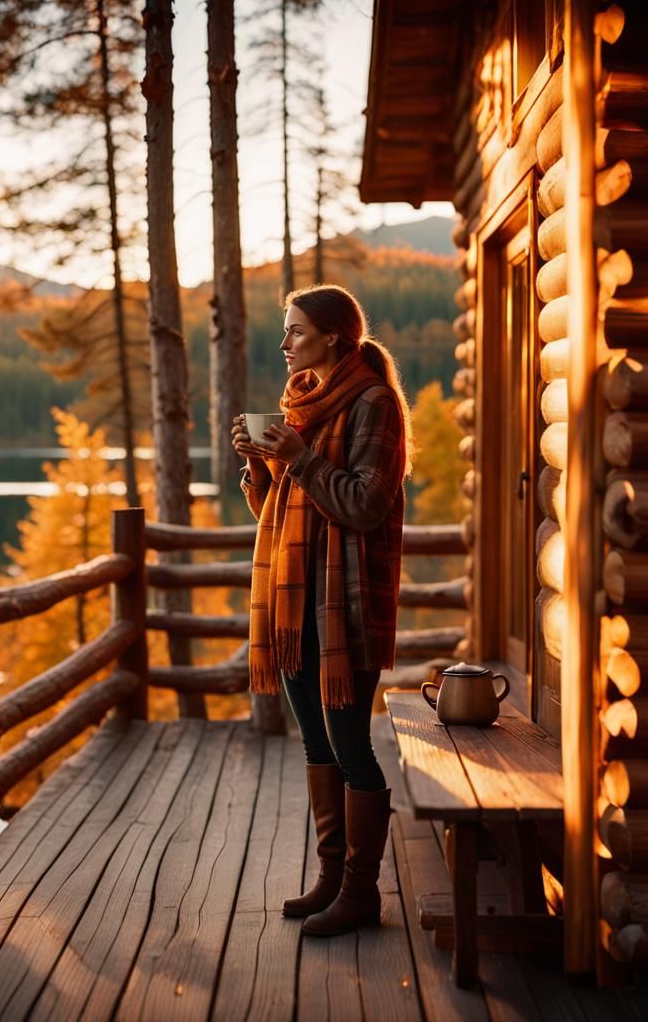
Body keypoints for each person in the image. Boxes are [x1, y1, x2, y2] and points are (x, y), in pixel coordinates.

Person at [230, 283, 413, 937]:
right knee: (316, 743)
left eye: (296, 332)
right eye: (284, 332)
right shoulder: (304, 406)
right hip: (295, 603)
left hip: (347, 606)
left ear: (334, 336)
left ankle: (362, 894)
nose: (283, 345)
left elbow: (365, 505)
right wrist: (259, 470)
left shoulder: (374, 404)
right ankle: (332, 880)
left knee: (350, 745)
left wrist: (298, 459)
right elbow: (278, 518)